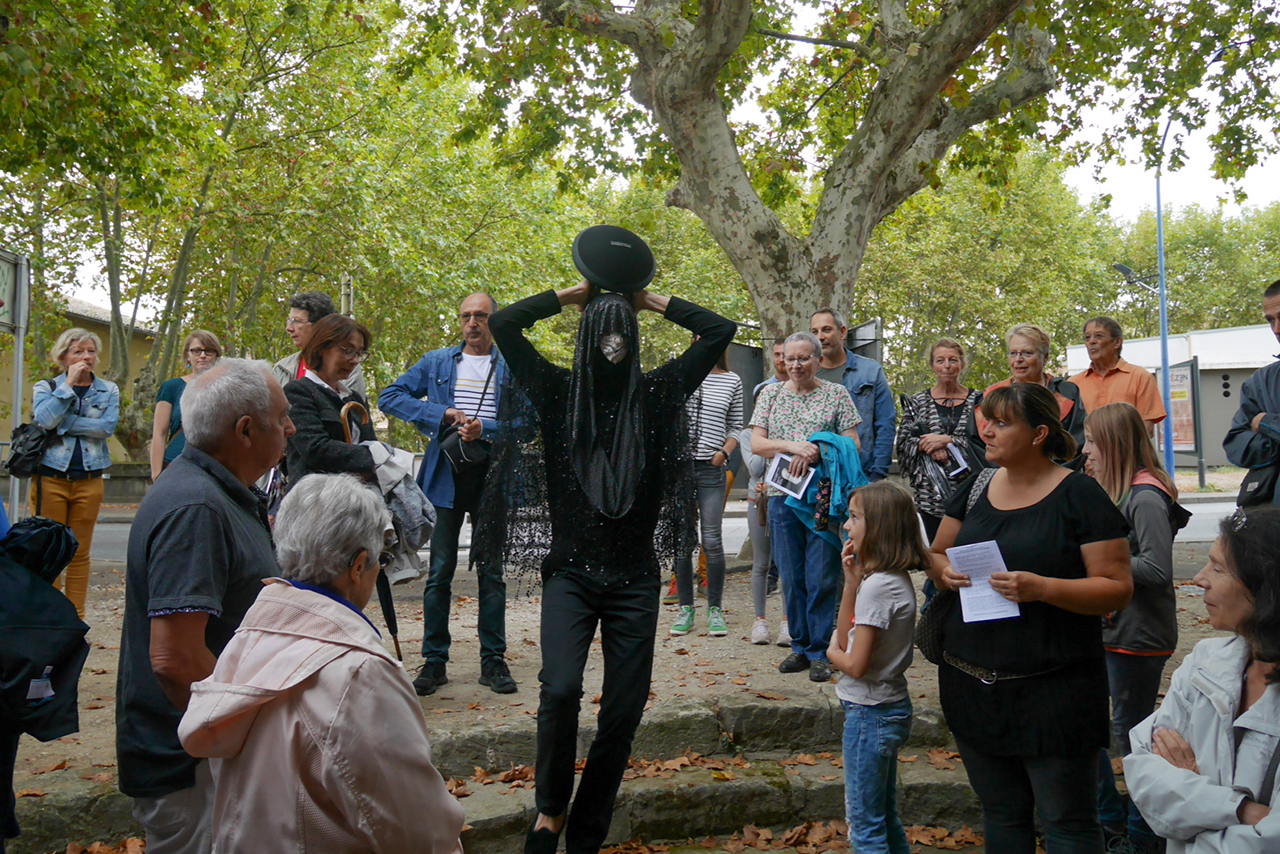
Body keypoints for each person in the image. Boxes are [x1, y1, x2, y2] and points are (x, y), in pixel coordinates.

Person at [479, 224, 736, 854]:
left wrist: (645, 299)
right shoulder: (555, 392)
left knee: (624, 709)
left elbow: (720, 331)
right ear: (585, 335)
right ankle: (550, 811)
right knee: (561, 689)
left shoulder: (659, 393)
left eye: (624, 334)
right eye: (604, 332)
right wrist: (576, 294)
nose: (613, 346)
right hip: (570, 574)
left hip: (634, 580)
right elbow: (504, 324)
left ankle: (587, 829)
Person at [177, 473, 465, 854]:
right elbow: (419, 831)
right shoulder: (359, 673)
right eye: (381, 559)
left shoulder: (249, 638)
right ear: (358, 566)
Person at [928, 382, 1132, 853]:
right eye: (987, 421)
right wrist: (945, 573)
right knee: (1001, 816)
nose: (987, 431)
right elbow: (935, 554)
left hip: (1055, 692)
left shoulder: (1079, 494)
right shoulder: (975, 486)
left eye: (1002, 423)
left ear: (1039, 434)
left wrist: (1042, 588)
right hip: (972, 685)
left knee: (1067, 823)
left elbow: (1117, 588)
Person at [116, 359, 295, 854]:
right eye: (282, 417)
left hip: (203, 757)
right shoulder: (195, 507)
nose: (291, 428)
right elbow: (174, 659)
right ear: (245, 430)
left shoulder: (215, 491)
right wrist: (241, 740)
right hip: (191, 767)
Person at [379, 292, 515, 696]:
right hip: (444, 476)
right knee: (439, 572)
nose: (472, 323)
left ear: (494, 321)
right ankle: (434, 662)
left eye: (481, 316)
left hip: (493, 478)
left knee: (492, 572)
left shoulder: (512, 365)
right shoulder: (437, 361)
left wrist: (485, 428)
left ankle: (493, 661)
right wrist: (442, 413)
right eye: (466, 316)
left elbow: (530, 423)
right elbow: (389, 396)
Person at [1124, 506, 1280, 853]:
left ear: (1266, 587)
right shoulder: (1206, 665)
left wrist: (1192, 800)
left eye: (1218, 568)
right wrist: (1239, 809)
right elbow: (1143, 768)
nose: (1198, 578)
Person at [1081, 402, 1182, 854]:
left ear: (1115, 445)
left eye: (1092, 442)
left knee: (1133, 739)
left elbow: (1158, 569)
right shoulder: (1116, 491)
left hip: (1138, 637)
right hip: (1113, 632)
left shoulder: (1144, 496)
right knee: (1092, 729)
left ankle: (1141, 837)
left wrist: (1101, 560)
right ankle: (1109, 822)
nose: (1085, 451)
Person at [751, 331, 862, 682]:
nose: (796, 365)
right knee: (791, 574)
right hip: (781, 495)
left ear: (818, 360)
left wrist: (818, 447)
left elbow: (854, 444)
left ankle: (820, 650)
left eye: (803, 358)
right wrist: (794, 446)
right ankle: (799, 647)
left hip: (823, 496)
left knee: (822, 574)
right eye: (790, 359)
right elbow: (756, 443)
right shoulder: (770, 393)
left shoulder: (836, 394)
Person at [827, 481, 924, 854]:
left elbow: (853, 663)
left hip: (870, 713)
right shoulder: (880, 581)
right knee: (883, 816)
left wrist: (830, 653)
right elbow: (846, 635)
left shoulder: (880, 587)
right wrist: (851, 584)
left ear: (880, 527)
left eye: (854, 518)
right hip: (882, 709)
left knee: (865, 826)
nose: (846, 526)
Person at [30, 328, 120, 620]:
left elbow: (106, 428)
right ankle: (50, 619)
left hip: (89, 480)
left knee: (79, 554)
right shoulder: (46, 387)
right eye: (78, 351)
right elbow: (44, 420)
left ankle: (75, 619)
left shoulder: (108, 390)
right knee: (50, 552)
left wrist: (64, 424)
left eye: (91, 351)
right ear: (63, 357)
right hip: (50, 479)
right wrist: (68, 385)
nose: (86, 357)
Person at [669, 345, 742, 637]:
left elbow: (736, 426)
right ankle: (685, 609)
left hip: (712, 469)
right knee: (681, 541)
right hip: (680, 470)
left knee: (711, 539)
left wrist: (723, 453)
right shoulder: (681, 376)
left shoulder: (732, 380)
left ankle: (715, 610)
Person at [895, 338, 981, 545]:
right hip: (930, 496)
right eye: (940, 360)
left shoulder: (979, 401)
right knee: (934, 553)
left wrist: (948, 442)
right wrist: (927, 445)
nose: (947, 366)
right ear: (932, 365)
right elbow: (903, 445)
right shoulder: (918, 402)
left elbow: (986, 443)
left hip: (972, 493)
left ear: (962, 364)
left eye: (953, 360)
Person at [968, 322, 1087, 467]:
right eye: (1013, 353)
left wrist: (1047, 475)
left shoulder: (1067, 393)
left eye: (1027, 353)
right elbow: (978, 448)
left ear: (1045, 357)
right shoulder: (990, 396)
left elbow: (1077, 444)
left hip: (1056, 476)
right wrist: (1005, 475)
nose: (1018, 359)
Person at [282, 314, 377, 486]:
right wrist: (376, 455)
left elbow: (371, 442)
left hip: (358, 496)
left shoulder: (354, 398)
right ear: (321, 347)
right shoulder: (297, 392)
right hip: (315, 496)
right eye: (348, 350)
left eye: (359, 353)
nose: (355, 360)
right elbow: (315, 450)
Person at [810, 309, 895, 482]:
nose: (820, 337)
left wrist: (877, 473)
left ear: (842, 332)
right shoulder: (806, 375)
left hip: (861, 472)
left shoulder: (870, 371)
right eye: (814, 332)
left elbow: (885, 423)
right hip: (816, 476)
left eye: (826, 330)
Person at [739, 394, 790, 647]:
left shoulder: (789, 429)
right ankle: (759, 621)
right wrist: (766, 439)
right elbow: (756, 468)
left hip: (784, 499)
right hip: (758, 502)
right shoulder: (747, 435)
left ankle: (787, 622)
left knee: (786, 562)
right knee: (761, 563)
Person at [1223, 280, 1280, 504]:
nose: (1276, 329)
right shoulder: (1260, 382)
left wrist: (1266, 423)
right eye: (1271, 320)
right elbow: (1236, 445)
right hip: (1271, 515)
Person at [1069, 317, 1166, 434]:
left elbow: (1146, 428)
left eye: (1099, 336)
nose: (1091, 341)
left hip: (1126, 446)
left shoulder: (1140, 377)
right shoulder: (1073, 384)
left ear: (1117, 342)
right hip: (1084, 446)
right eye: (1087, 337)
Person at [150, 331, 222, 481]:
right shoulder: (171, 387)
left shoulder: (226, 389)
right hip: (174, 466)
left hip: (213, 469)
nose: (202, 355)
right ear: (187, 355)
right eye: (196, 351)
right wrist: (156, 474)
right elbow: (159, 433)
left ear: (216, 356)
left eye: (208, 351)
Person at [273, 291, 366, 398]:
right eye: (289, 321)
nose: (289, 328)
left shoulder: (346, 369)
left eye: (296, 321)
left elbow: (350, 407)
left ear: (320, 327)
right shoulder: (282, 368)